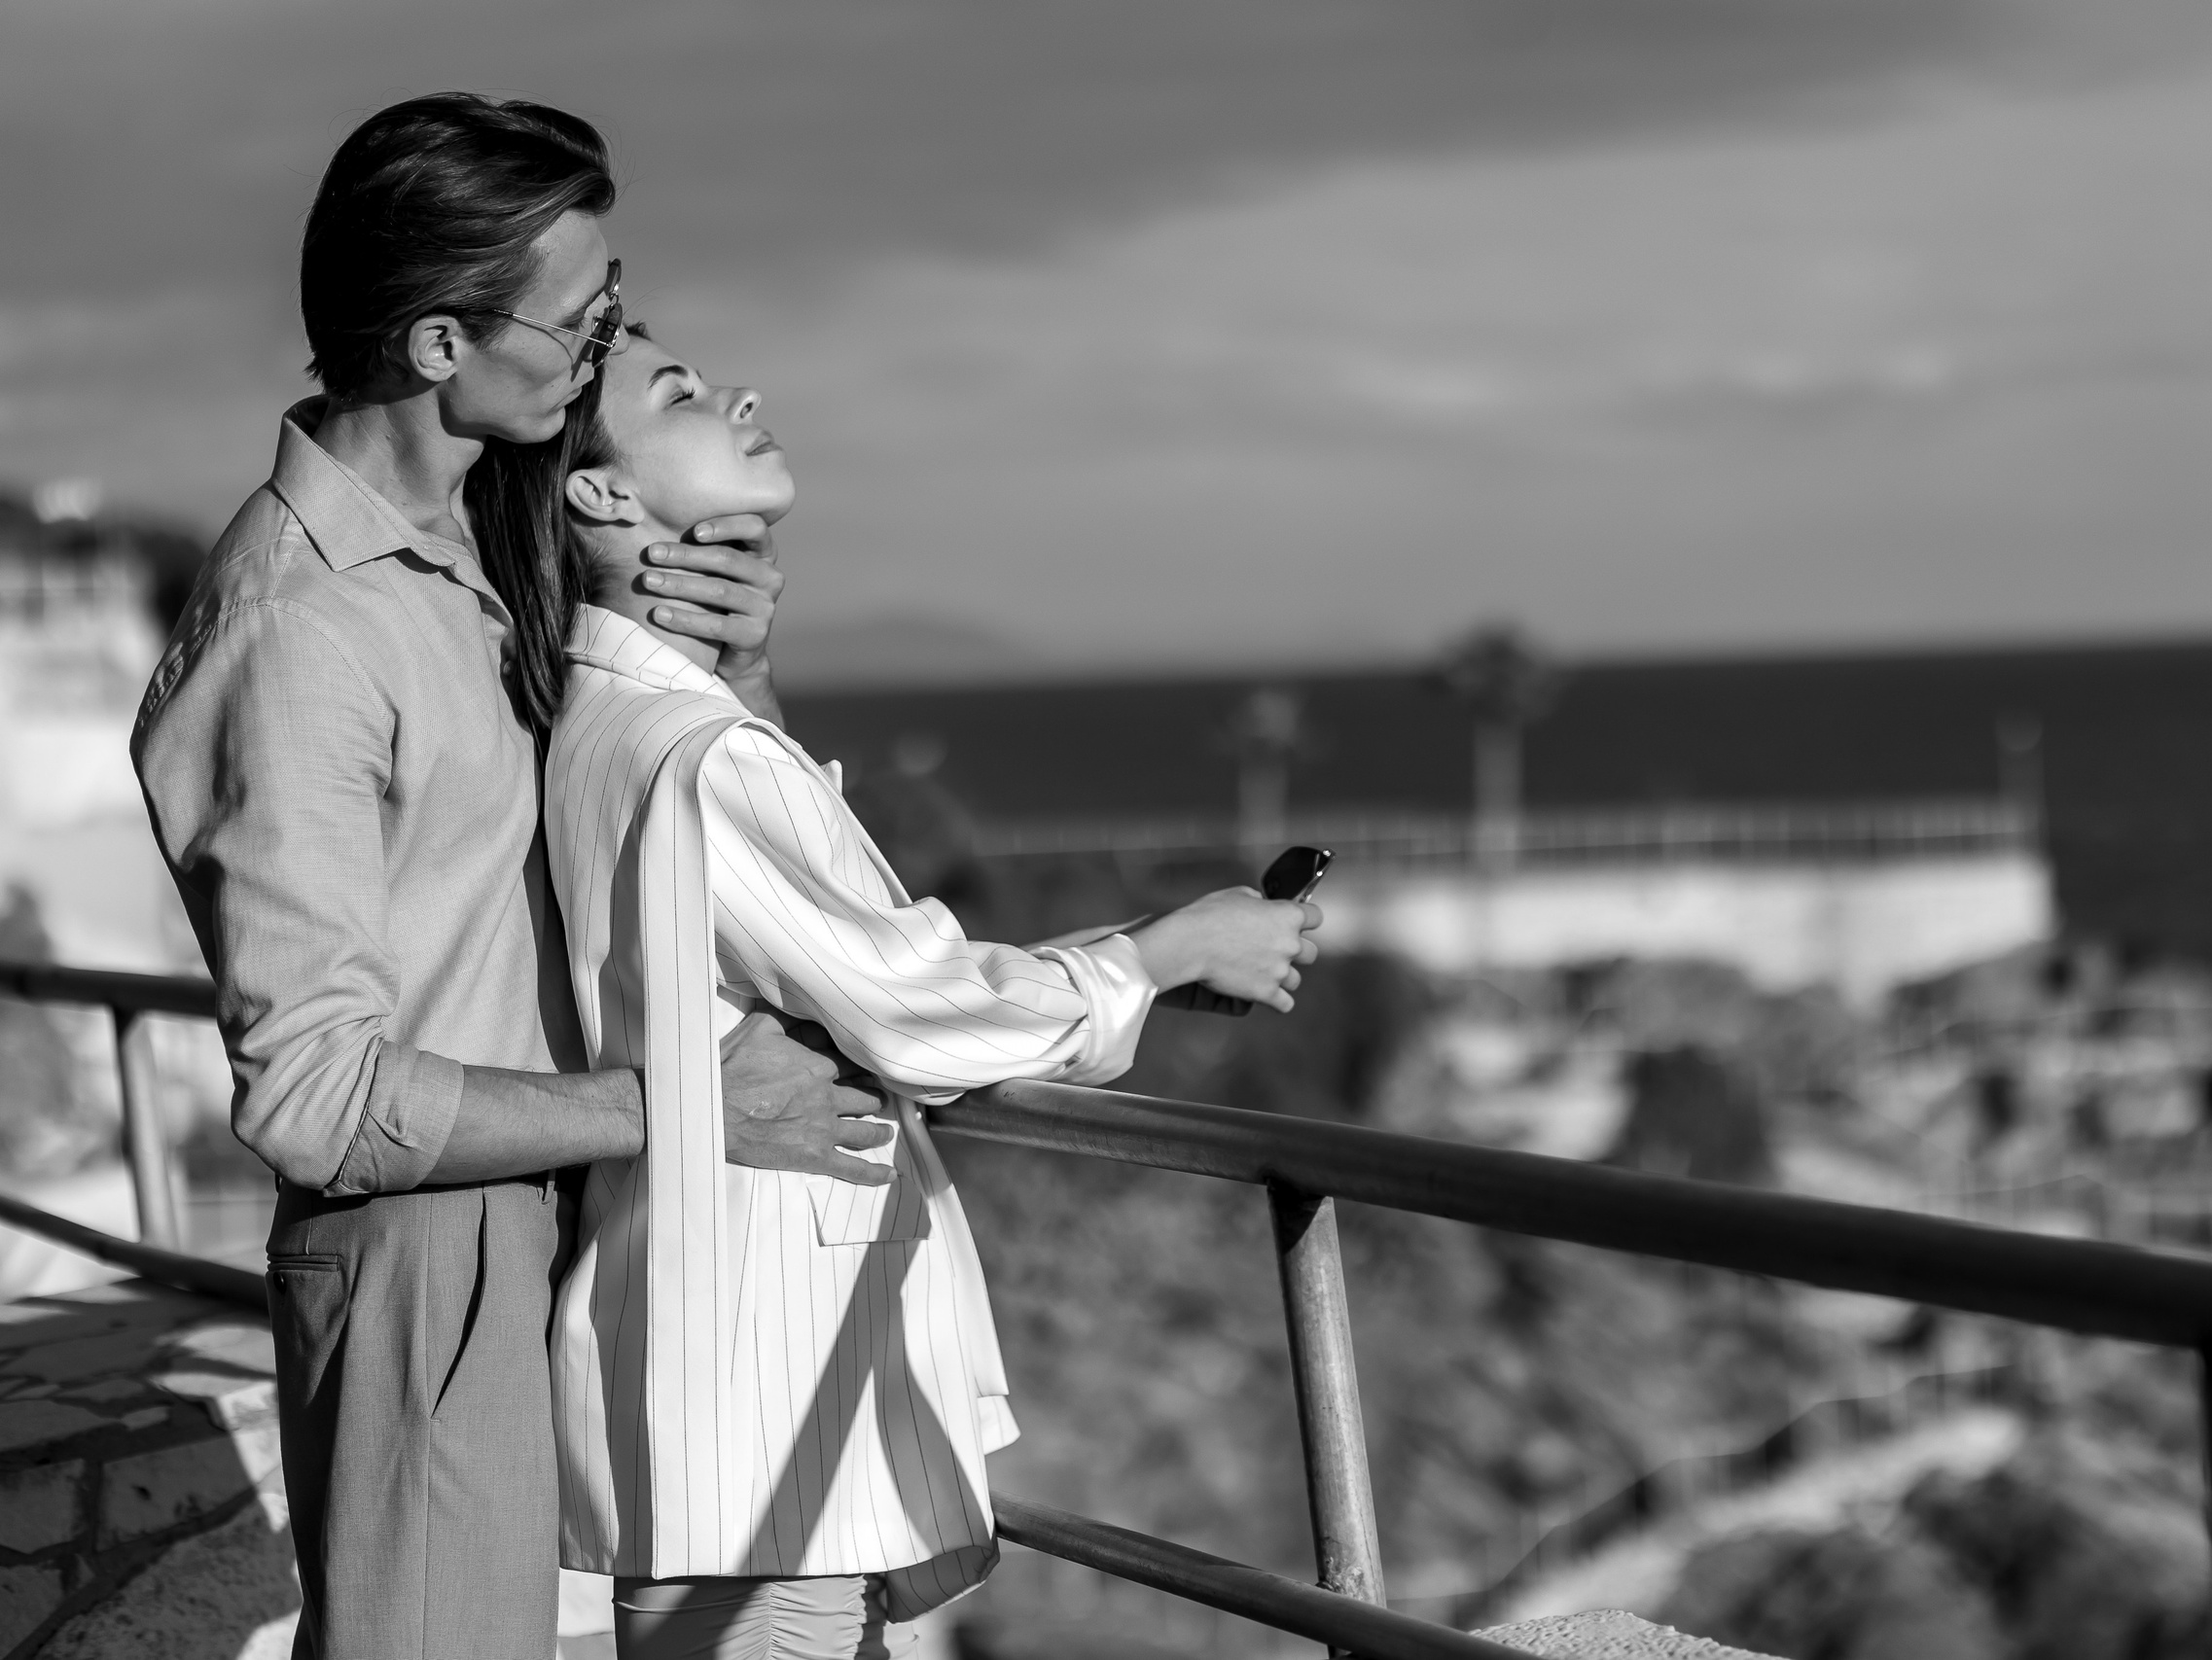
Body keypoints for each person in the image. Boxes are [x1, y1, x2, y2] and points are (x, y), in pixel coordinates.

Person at [131, 95, 895, 1660]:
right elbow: (314, 1098)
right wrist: (685, 1104)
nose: (606, 344)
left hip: (595, 1212)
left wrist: (739, 672)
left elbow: (685, 837)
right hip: (436, 1258)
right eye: (579, 319)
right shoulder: (299, 631)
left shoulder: (488, 532)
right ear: (437, 345)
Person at [466, 326, 1321, 1659]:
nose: (741, 392)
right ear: (603, 493)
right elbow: (913, 1012)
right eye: (679, 393)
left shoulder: (609, 724)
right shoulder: (697, 753)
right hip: (767, 1424)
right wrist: (1152, 958)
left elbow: (837, 962)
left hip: (734, 1404)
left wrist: (1140, 953)